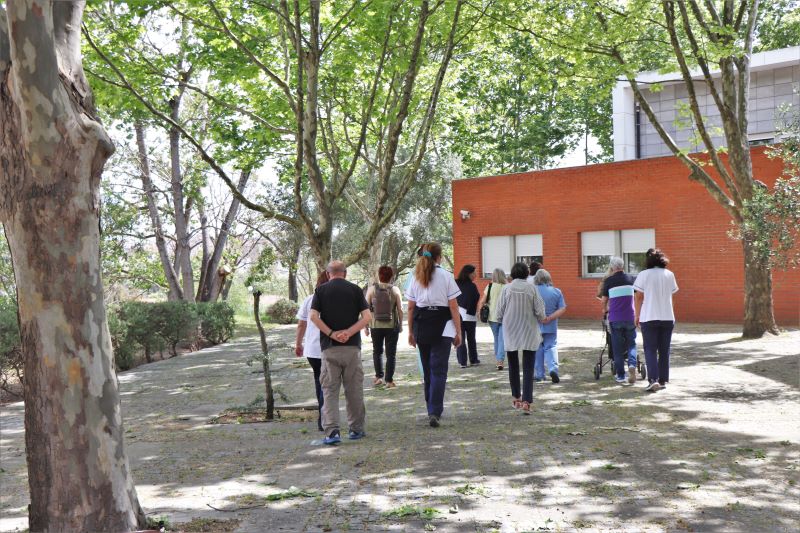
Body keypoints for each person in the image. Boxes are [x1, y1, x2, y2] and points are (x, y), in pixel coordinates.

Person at [310, 260, 372, 444]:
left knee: (329, 391)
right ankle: (356, 429)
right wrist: (349, 332)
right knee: (354, 390)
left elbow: (313, 316)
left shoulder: (320, 291)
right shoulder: (355, 290)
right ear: (345, 273)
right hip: (352, 348)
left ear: (328, 274)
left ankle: (332, 432)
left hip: (329, 348)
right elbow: (367, 317)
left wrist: (331, 334)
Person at [406, 243, 462, 428]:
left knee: (427, 369)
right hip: (443, 326)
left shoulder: (416, 276)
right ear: (439, 257)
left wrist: (410, 331)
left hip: (422, 325)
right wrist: (458, 331)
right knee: (439, 370)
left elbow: (411, 307)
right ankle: (434, 410)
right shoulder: (446, 276)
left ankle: (430, 405)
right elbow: (453, 306)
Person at [495, 262, 546, 415]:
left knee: (513, 365)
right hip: (529, 329)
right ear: (526, 273)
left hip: (511, 330)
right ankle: (527, 402)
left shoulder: (506, 288)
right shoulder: (532, 288)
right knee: (529, 366)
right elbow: (540, 312)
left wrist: (503, 319)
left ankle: (516, 398)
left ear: (512, 274)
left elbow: (499, 312)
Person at [634, 248, 679, 392]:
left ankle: (653, 380)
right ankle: (663, 380)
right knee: (664, 350)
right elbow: (672, 296)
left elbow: (639, 296)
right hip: (667, 317)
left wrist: (636, 315)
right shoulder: (669, 274)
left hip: (649, 316)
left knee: (650, 349)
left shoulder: (644, 274)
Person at [294, 271, 330, 431]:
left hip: (312, 349)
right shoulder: (334, 300)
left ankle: (323, 417)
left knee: (319, 381)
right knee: (327, 384)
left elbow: (301, 324)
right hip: (328, 347)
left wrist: (298, 344)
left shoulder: (309, 299)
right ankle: (325, 418)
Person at [600, 257, 639, 384]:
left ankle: (621, 375)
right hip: (630, 317)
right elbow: (638, 296)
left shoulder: (609, 281)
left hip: (615, 318)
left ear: (612, 267)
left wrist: (605, 309)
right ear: (623, 266)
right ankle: (632, 365)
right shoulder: (631, 279)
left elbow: (604, 300)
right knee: (631, 343)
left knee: (617, 347)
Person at [365, 265, 404, 388]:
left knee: (377, 352)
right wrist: (401, 324)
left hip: (375, 325)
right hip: (391, 326)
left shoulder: (371, 290)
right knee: (391, 354)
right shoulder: (395, 290)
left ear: (379, 275)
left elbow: (366, 309)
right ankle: (389, 381)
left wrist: (366, 326)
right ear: (391, 276)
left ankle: (378, 377)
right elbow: (400, 309)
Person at [533, 269, 567, 384]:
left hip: (535, 325)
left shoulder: (532, 291)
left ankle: (539, 374)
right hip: (550, 325)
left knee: (537, 348)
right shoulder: (556, 292)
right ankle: (553, 369)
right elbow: (562, 308)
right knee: (551, 346)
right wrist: (550, 317)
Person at [477, 268, 507, 370]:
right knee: (502, 339)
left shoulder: (489, 286)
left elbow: (482, 301)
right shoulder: (507, 287)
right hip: (505, 316)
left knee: (497, 338)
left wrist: (479, 312)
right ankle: (500, 361)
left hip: (492, 316)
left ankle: (498, 360)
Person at [455, 264, 481, 368]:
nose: (475, 275)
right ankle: (473, 360)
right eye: (474, 273)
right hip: (470, 316)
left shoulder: (455, 283)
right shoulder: (472, 286)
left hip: (458, 314)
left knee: (460, 338)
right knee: (471, 339)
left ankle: (462, 362)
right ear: (468, 274)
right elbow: (476, 298)